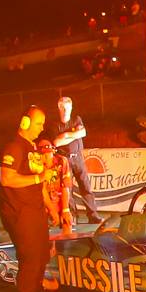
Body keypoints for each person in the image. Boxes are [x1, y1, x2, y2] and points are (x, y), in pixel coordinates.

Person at [0, 108, 55, 292]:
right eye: (39, 123)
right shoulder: (13, 146)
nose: (42, 128)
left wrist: (51, 207)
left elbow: (39, 183)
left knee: (41, 257)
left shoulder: (32, 148)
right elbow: (7, 178)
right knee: (30, 259)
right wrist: (39, 177)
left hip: (35, 211)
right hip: (19, 212)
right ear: (25, 123)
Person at [52, 95, 98, 223]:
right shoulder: (55, 125)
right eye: (63, 108)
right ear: (59, 108)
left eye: (67, 108)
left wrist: (66, 135)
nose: (65, 111)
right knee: (68, 189)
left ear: (71, 108)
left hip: (78, 158)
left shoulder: (76, 120)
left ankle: (93, 215)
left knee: (85, 186)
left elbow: (82, 133)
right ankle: (72, 217)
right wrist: (74, 135)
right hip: (64, 160)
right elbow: (56, 142)